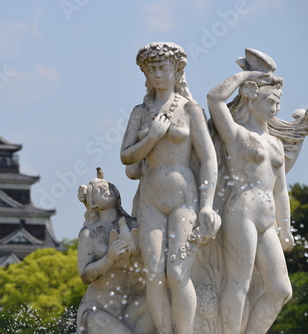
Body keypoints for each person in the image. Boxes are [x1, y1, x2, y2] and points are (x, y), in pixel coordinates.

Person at [120, 42, 220, 334]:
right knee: (154, 275)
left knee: (177, 273)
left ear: (177, 71)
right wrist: (152, 137)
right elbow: (126, 156)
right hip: (151, 199)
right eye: (152, 69)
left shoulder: (190, 110)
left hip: (184, 199)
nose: (158, 74)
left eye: (163, 68)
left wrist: (206, 204)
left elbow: (209, 158)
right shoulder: (140, 112)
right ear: (145, 75)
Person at [206, 69, 294, 333]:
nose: (275, 108)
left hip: (267, 220)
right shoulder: (236, 135)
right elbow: (214, 99)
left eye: (278, 103)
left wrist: (285, 228)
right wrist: (246, 77)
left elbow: (281, 191)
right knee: (238, 283)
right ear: (252, 100)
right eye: (270, 102)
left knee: (280, 289)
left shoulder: (276, 144)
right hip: (241, 212)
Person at [76, 178, 154, 334]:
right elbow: (85, 276)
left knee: (164, 305)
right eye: (100, 189)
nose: (107, 189)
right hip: (99, 310)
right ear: (93, 202)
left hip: (134, 303)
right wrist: (109, 259)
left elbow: (153, 262)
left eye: (110, 186)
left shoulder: (136, 225)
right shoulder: (89, 233)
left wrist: (136, 257)